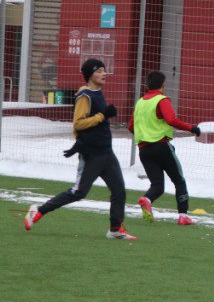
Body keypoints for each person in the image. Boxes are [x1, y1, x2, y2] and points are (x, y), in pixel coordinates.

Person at [24, 58, 134, 240]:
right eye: (99, 71)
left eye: (104, 70)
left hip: (106, 152)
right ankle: (38, 211)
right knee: (79, 192)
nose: (104, 73)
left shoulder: (98, 92)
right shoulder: (85, 95)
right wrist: (103, 115)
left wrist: (102, 117)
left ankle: (115, 229)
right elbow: (79, 123)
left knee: (119, 190)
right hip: (92, 154)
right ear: (89, 75)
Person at [129, 70, 200, 226]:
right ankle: (183, 216)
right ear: (163, 85)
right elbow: (171, 120)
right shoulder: (162, 100)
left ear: (147, 85)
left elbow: (131, 126)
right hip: (161, 147)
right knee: (179, 180)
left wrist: (146, 133)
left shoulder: (140, 102)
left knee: (157, 186)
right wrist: (192, 128)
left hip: (144, 150)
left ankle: (147, 199)